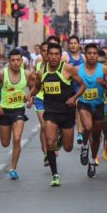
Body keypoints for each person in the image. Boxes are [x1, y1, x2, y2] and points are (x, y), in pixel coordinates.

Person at [35, 42, 85, 186]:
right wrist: (30, 95)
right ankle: (55, 175)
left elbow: (82, 85)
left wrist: (74, 98)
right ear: (46, 55)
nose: (54, 57)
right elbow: (37, 87)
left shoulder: (68, 69)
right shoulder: (41, 71)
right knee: (50, 141)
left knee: (68, 147)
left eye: (57, 54)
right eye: (51, 54)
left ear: (60, 55)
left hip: (66, 112)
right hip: (50, 110)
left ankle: (61, 138)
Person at [0, 48, 35, 180]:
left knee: (17, 138)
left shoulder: (26, 74)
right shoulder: (2, 74)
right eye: (13, 60)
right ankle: (12, 166)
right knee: (5, 143)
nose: (15, 63)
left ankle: (13, 168)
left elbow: (33, 88)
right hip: (4, 111)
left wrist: (30, 98)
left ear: (21, 61)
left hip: (19, 110)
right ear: (9, 61)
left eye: (18, 60)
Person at [77, 43, 107, 178]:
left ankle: (92, 161)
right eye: (89, 53)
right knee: (88, 126)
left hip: (99, 105)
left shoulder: (104, 69)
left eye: (94, 53)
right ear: (85, 55)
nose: (92, 55)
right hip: (84, 104)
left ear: (97, 55)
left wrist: (104, 83)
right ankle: (85, 145)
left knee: (97, 135)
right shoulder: (77, 70)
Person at [63, 35, 85, 144]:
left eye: (75, 43)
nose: (73, 45)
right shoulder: (65, 57)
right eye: (71, 43)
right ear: (68, 45)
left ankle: (80, 133)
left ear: (79, 45)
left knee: (78, 108)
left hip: (79, 87)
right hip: (67, 87)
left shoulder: (84, 57)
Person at [33, 41, 51, 166]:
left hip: (54, 100)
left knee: (52, 127)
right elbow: (34, 84)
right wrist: (30, 96)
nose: (46, 53)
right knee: (44, 126)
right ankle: (46, 154)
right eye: (43, 51)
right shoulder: (38, 65)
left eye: (48, 51)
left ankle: (52, 145)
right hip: (40, 98)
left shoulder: (60, 66)